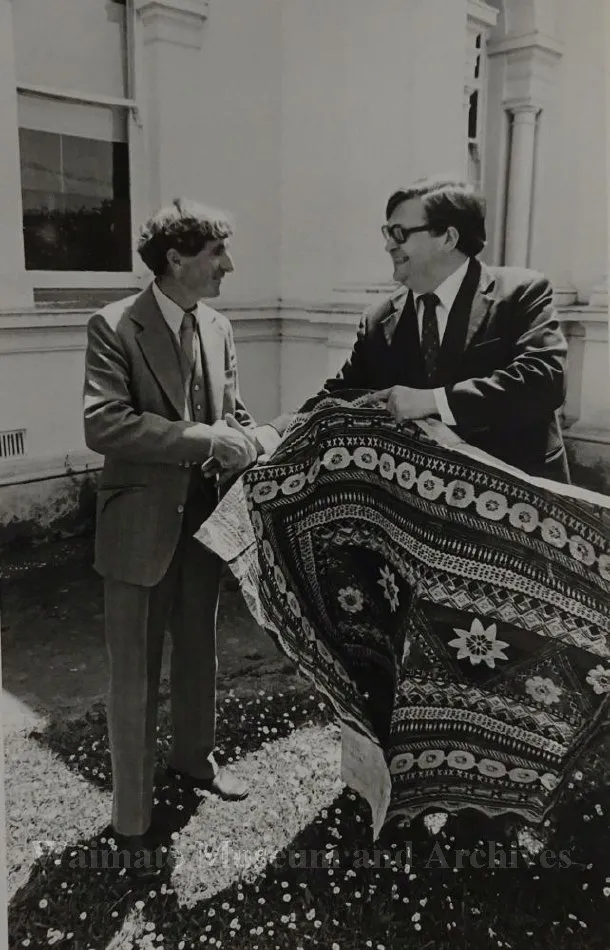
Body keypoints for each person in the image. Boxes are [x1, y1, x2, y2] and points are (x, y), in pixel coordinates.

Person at [83, 198, 277, 874]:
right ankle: (132, 818)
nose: (229, 266)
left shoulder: (218, 326)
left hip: (203, 527)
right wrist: (204, 438)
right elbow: (104, 424)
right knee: (134, 672)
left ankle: (195, 762)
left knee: (198, 654)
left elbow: (234, 415)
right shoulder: (114, 325)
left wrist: (256, 438)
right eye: (217, 253)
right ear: (176, 258)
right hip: (138, 533)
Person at [272, 176, 570, 482]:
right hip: (423, 501)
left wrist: (435, 401)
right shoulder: (378, 319)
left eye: (399, 233)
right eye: (387, 233)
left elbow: (544, 380)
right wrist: (270, 434)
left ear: (448, 238)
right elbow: (338, 397)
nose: (389, 245)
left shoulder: (521, 292)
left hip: (522, 493)